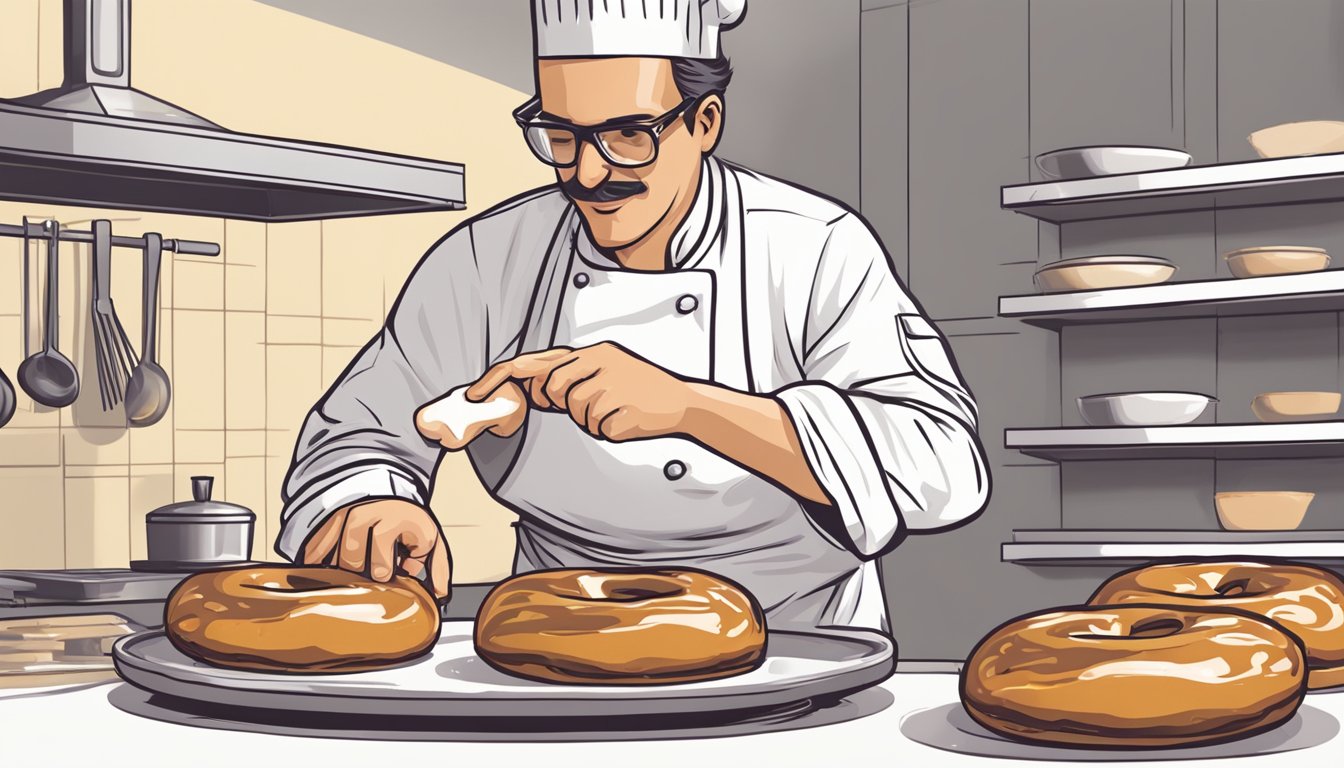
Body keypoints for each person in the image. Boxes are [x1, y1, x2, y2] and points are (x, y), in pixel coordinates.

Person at [277, 0, 989, 632]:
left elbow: (942, 464)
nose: (587, 173)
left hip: (793, 638)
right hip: (556, 633)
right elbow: (363, 429)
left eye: (627, 134)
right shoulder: (486, 258)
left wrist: (687, 408)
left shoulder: (813, 246)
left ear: (704, 122)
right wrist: (371, 502)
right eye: (560, 135)